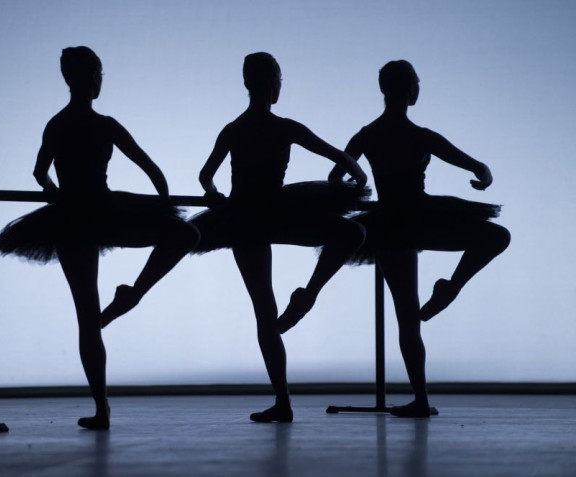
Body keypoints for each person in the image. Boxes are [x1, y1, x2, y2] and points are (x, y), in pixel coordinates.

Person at [0, 47, 199, 429]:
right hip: (103, 210)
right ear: (91, 78)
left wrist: (58, 196)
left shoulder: (56, 124)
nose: (100, 81)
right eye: (100, 74)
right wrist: (163, 202)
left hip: (73, 214)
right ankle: (133, 294)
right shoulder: (105, 124)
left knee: (86, 315)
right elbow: (150, 168)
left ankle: (102, 409)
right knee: (185, 232)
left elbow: (39, 173)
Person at [191, 52, 368, 422]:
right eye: (278, 80)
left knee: (264, 310)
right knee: (351, 232)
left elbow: (205, 176)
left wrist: (213, 196)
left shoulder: (234, 129)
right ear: (273, 85)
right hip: (275, 211)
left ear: (246, 83)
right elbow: (339, 156)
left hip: (245, 216)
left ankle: (283, 400)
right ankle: (309, 294)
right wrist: (358, 177)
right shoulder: (285, 127)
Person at [328, 60, 511, 417]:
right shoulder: (422, 136)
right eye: (417, 82)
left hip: (391, 222)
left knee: (407, 318)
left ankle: (422, 399)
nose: (418, 88)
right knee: (495, 235)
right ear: (409, 89)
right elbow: (479, 168)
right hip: (420, 215)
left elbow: (336, 175)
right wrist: (484, 180)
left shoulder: (368, 134)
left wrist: (360, 182)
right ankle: (453, 287)